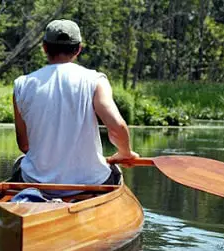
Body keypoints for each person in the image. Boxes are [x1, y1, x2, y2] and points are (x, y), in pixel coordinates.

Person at [9, 19, 139, 201]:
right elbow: (117, 126)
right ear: (78, 49)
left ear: (45, 48)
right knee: (114, 171)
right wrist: (125, 153)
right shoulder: (95, 81)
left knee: (20, 164)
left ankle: (30, 203)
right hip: (91, 181)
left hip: (36, 181)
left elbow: (24, 145)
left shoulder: (21, 85)